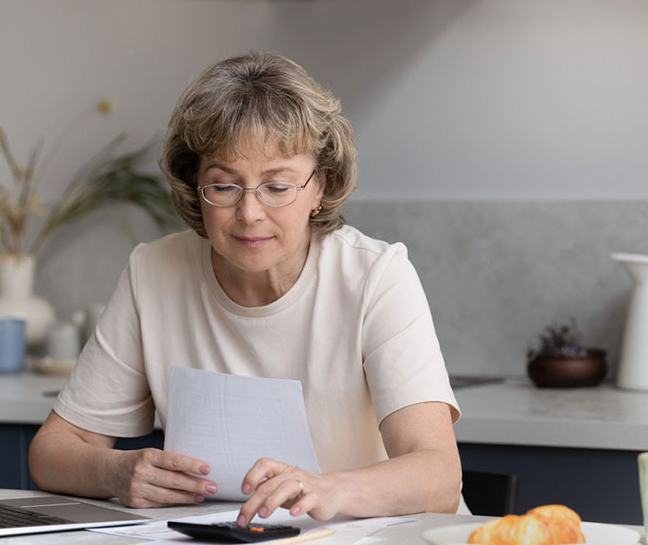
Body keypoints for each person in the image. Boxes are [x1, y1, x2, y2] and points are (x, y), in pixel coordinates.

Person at [29, 51, 464, 525]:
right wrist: (115, 472)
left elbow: (439, 476)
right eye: (224, 186)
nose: (250, 213)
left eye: (277, 187)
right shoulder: (152, 272)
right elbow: (51, 452)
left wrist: (329, 489)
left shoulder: (375, 276)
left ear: (320, 186)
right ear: (195, 185)